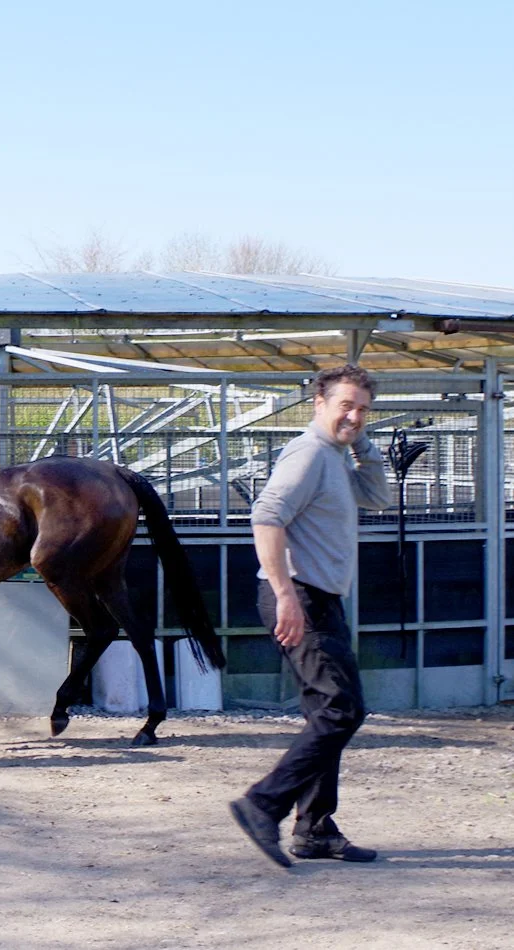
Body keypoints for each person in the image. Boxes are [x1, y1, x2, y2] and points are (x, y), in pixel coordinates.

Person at [230, 363, 393, 867]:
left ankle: (316, 829)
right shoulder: (309, 454)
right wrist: (285, 594)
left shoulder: (335, 455)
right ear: (318, 403)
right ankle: (264, 803)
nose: (355, 415)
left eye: (363, 408)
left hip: (320, 598)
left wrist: (360, 442)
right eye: (346, 405)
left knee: (325, 713)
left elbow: (380, 498)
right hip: (300, 597)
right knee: (342, 710)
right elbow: (266, 516)